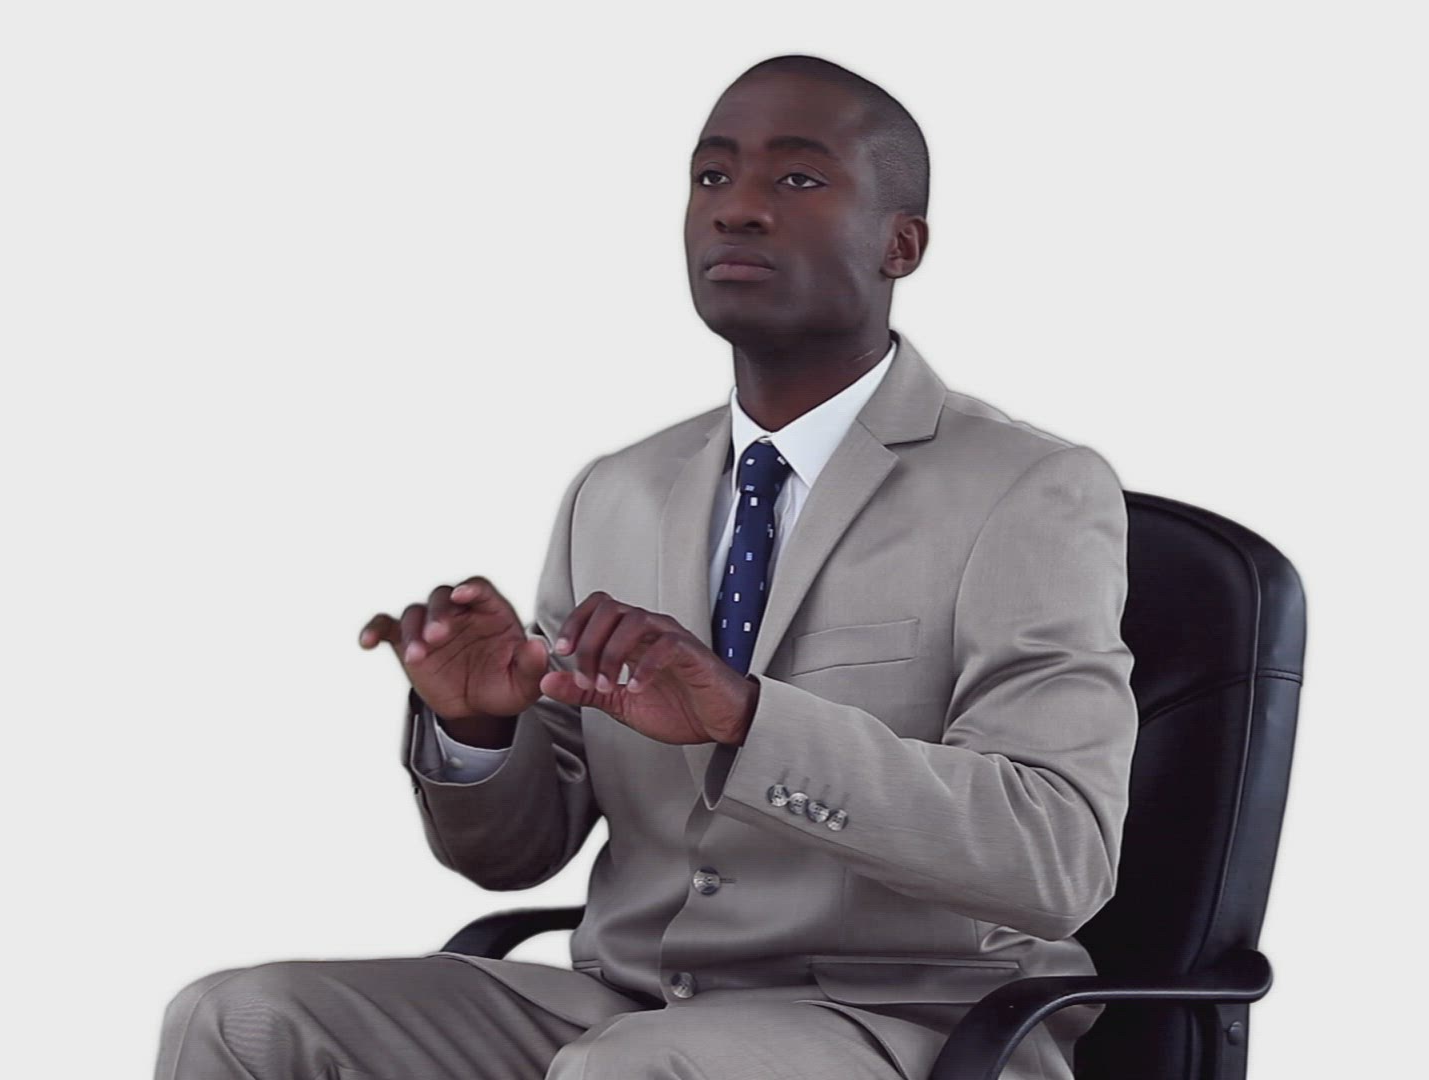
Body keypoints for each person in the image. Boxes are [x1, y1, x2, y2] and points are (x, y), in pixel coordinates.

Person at [154, 52, 1137, 1080]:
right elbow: (513, 857)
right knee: (239, 1018)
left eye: (797, 177)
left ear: (903, 243)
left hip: (905, 1023)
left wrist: (749, 719)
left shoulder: (1028, 489)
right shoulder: (615, 492)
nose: (737, 208)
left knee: (632, 1071)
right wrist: (479, 729)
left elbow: (1058, 857)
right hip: (626, 1002)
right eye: (711, 176)